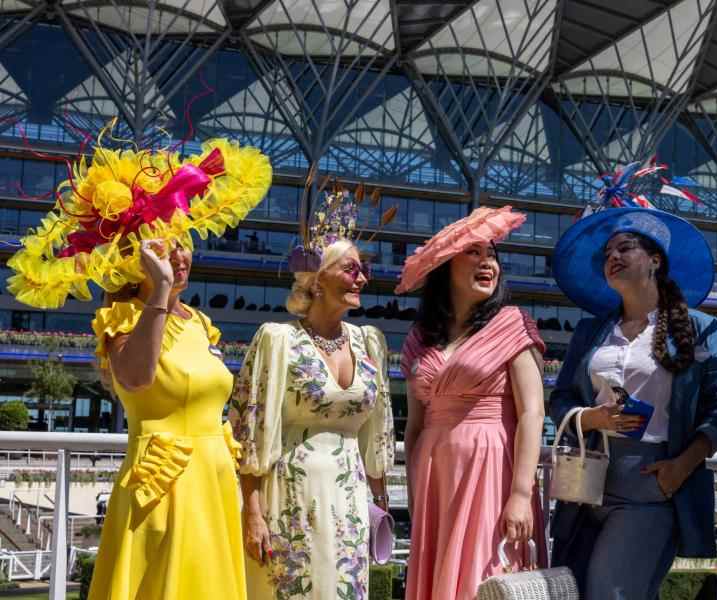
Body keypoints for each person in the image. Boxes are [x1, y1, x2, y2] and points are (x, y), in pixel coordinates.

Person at [4, 133, 272, 599]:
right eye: (165, 249)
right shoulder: (123, 318)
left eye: (183, 243)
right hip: (162, 486)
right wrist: (161, 293)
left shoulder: (201, 323)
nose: (180, 256)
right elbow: (136, 377)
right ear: (136, 262)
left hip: (212, 480)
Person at [548, 169, 717, 600]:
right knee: (576, 591)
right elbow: (560, 399)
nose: (612, 256)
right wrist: (589, 417)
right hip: (584, 484)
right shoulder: (590, 332)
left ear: (655, 260)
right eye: (607, 252)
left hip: (653, 483)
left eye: (625, 247)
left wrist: (682, 466)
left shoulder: (701, 328)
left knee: (608, 592)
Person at [230, 184, 394, 600]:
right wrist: (252, 512)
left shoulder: (369, 342)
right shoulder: (278, 340)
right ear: (317, 281)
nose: (362, 277)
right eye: (351, 269)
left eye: (363, 269)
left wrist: (379, 498)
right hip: (290, 492)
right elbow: (248, 431)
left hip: (350, 496)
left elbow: (374, 432)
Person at [396, 206, 546, 600]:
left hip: (492, 472)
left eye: (491, 253)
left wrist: (521, 494)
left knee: (487, 580)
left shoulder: (512, 323)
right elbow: (414, 427)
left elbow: (532, 412)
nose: (487, 262)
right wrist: (415, 494)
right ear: (446, 266)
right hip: (434, 477)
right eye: (473, 252)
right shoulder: (419, 338)